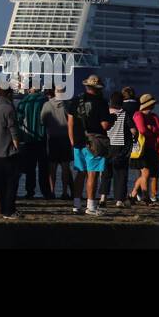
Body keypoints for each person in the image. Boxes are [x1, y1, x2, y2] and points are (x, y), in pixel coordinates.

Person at [68, 74, 110, 215]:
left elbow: (70, 121)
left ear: (87, 86)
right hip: (94, 141)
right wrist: (112, 120)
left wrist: (72, 139)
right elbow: (104, 125)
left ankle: (76, 205)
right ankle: (91, 207)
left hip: (78, 141)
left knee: (80, 173)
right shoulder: (101, 102)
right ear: (98, 88)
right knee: (92, 174)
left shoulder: (75, 101)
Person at [0, 86, 21, 218]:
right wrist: (17, 147)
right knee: (11, 182)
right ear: (9, 94)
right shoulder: (9, 108)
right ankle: (8, 210)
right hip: (7, 151)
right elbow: (13, 131)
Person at [15, 86, 51, 199]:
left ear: (29, 89)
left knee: (30, 168)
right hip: (41, 139)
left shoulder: (23, 102)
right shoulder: (44, 101)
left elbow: (19, 121)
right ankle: (46, 191)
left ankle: (30, 191)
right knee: (43, 168)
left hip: (27, 140)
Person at [41, 85, 74, 199]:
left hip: (52, 138)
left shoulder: (47, 105)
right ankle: (65, 192)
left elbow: (42, 121)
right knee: (65, 167)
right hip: (65, 138)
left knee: (52, 167)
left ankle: (52, 191)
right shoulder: (68, 105)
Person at [130, 94, 159, 205]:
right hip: (142, 149)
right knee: (146, 172)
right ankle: (146, 197)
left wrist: (152, 129)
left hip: (150, 148)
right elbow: (142, 130)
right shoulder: (138, 115)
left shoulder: (153, 116)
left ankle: (133, 194)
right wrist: (153, 132)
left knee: (146, 174)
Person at [104, 91, 133, 207]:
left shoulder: (106, 113)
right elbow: (133, 130)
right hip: (120, 146)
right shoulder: (124, 114)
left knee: (106, 174)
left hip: (107, 146)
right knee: (120, 173)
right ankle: (119, 200)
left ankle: (102, 198)